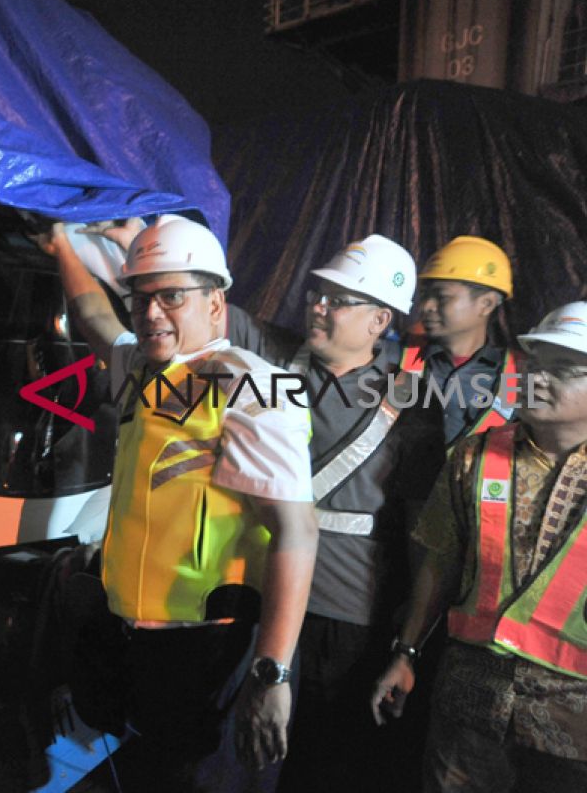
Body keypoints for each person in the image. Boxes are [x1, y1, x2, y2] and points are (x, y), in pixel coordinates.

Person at [84, 221, 446, 791]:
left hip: (344, 619)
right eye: (317, 295)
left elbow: (422, 539)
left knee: (317, 766)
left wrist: (407, 645)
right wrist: (132, 240)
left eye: (339, 300)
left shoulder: (412, 404)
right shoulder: (275, 357)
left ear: (381, 320)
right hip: (258, 611)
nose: (320, 308)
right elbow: (185, 309)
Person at [36, 216, 317, 792]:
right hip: (140, 642)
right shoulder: (145, 372)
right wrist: (59, 244)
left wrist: (272, 674)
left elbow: (297, 533)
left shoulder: (253, 385)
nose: (151, 314)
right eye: (141, 299)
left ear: (216, 303)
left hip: (214, 648)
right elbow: (94, 319)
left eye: (172, 297)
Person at [372, 301, 587, 792]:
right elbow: (441, 557)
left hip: (573, 731)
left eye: (564, 369)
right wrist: (405, 652)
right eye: (536, 365)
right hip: (469, 707)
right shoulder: (475, 454)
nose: (539, 379)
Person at [404, 236, 519, 446]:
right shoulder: (395, 359)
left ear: (486, 304)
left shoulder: (520, 377)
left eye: (442, 297)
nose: (427, 306)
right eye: (425, 295)